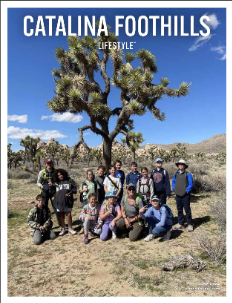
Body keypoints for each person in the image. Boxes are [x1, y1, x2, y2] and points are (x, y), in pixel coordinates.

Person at [53, 169, 77, 236]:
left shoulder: (69, 180)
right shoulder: (56, 182)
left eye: (61, 174)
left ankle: (70, 228)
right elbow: (52, 190)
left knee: (68, 214)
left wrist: (70, 193)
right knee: (61, 215)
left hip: (68, 201)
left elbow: (74, 188)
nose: (60, 176)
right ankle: (63, 228)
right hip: (59, 201)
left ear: (64, 174)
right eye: (58, 175)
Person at [172, 159, 194, 232]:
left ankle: (190, 224)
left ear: (184, 166)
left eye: (182, 164)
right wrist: (174, 189)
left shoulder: (188, 174)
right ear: (178, 165)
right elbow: (173, 182)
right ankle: (181, 223)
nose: (180, 165)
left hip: (185, 195)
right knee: (179, 210)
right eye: (179, 164)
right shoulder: (176, 174)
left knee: (187, 210)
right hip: (178, 195)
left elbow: (191, 184)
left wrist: (186, 191)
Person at [37, 158, 60, 225]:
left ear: (52, 164)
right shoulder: (42, 172)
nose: (49, 165)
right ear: (45, 164)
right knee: (44, 208)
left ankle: (61, 224)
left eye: (50, 163)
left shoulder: (56, 172)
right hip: (44, 193)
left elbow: (58, 182)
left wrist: (53, 185)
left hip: (53, 193)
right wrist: (42, 187)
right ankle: (44, 224)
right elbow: (38, 182)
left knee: (57, 208)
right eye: (48, 163)